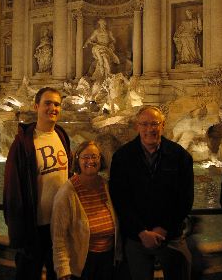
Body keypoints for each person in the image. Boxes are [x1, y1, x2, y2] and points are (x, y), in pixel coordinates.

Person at [109, 106, 194, 280]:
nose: (150, 129)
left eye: (154, 124)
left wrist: (163, 228)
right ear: (137, 126)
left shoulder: (180, 156)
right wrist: (141, 231)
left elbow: (185, 198)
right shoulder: (122, 157)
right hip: (136, 238)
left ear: (162, 125)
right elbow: (120, 199)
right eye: (144, 124)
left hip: (171, 236)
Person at [3, 87, 72, 280]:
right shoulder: (23, 142)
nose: (53, 108)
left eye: (57, 104)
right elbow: (12, 188)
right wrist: (18, 231)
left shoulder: (61, 135)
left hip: (59, 224)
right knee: (28, 274)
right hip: (35, 227)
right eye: (47, 103)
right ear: (36, 106)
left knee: (56, 273)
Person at [51, 141, 120, 280]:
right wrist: (63, 269)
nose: (90, 161)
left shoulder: (106, 186)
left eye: (94, 156)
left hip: (108, 260)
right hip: (82, 264)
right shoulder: (67, 193)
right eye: (85, 157)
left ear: (100, 159)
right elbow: (59, 236)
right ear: (77, 160)